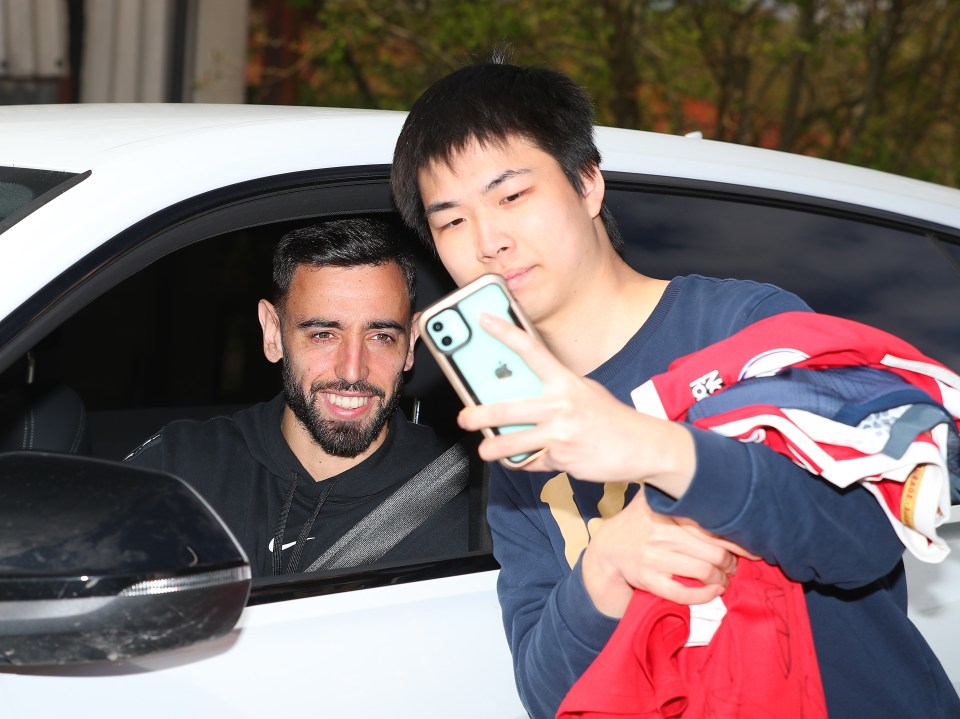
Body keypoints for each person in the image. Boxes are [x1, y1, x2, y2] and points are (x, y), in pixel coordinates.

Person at [390, 60, 960, 718]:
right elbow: (547, 694)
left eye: (511, 196)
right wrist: (605, 566)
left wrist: (662, 451)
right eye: (451, 222)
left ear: (586, 184)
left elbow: (864, 541)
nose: (489, 241)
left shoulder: (742, 329)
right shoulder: (524, 429)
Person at [125, 218, 472, 577]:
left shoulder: (469, 501)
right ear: (273, 333)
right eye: (323, 334)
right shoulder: (182, 469)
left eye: (381, 336)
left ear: (411, 343)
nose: (353, 371)